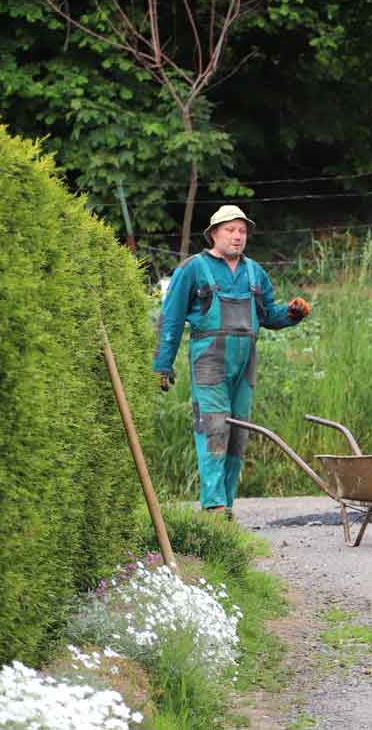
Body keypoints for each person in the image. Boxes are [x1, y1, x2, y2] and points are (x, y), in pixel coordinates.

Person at [153, 205, 311, 517]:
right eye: (230, 230)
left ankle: (226, 506)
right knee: (214, 427)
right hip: (209, 359)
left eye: (242, 231)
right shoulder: (193, 268)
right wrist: (162, 364)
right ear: (213, 233)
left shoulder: (255, 272)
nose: (238, 236)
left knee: (239, 432)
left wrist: (292, 314)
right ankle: (213, 504)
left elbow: (268, 315)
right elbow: (171, 318)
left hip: (246, 361)